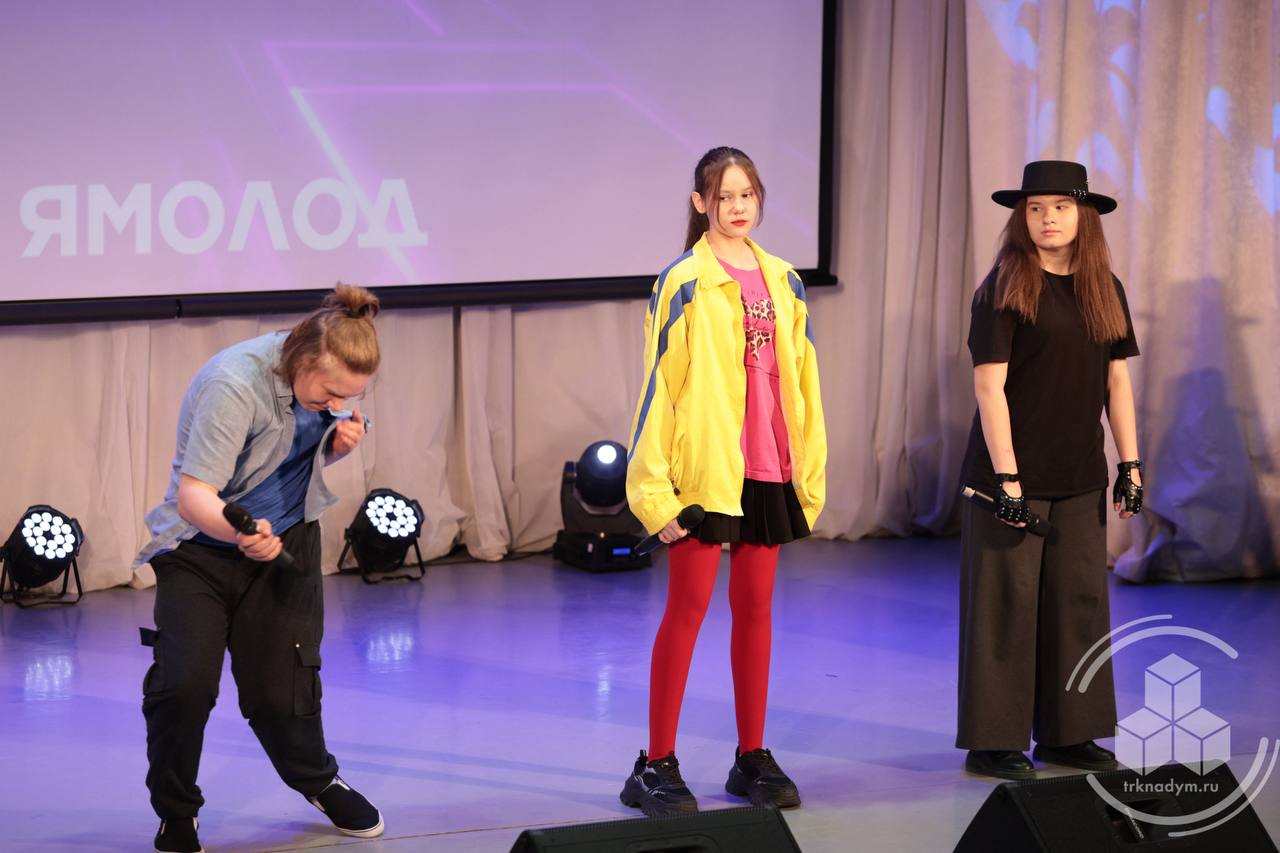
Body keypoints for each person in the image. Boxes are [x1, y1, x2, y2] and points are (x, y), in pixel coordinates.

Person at [136, 284, 385, 853]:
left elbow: (299, 448)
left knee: (284, 688)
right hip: (201, 549)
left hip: (286, 540)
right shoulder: (233, 385)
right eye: (331, 394)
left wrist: (339, 446)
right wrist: (243, 535)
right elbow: (195, 496)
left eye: (350, 397)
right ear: (302, 360)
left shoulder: (323, 374)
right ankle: (176, 812)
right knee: (184, 687)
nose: (338, 403)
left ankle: (317, 779)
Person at [621, 146, 827, 817]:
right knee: (687, 608)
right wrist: (654, 493)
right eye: (724, 196)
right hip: (705, 471)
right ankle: (655, 763)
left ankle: (751, 755)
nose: (737, 207)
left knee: (757, 608)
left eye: (747, 194)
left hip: (766, 465)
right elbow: (659, 389)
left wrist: (807, 473)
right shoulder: (682, 280)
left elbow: (803, 384)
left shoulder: (785, 280)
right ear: (700, 203)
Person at [957, 161, 1143, 780]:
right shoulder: (1004, 288)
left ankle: (1070, 735)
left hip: (1080, 475)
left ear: (1083, 215)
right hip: (1009, 477)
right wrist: (1009, 481)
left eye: (1060, 207)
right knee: (1005, 608)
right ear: (1022, 218)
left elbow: (1117, 381)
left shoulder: (1104, 288)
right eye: (1035, 209)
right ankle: (993, 743)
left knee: (1078, 606)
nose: (1047, 219)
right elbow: (990, 389)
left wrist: (1130, 463)